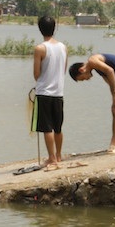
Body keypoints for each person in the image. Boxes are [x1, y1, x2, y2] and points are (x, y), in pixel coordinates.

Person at [68, 53, 115, 152]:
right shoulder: (95, 66)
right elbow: (107, 78)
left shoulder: (92, 61)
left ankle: (114, 142)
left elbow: (110, 71)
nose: (87, 79)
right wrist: (114, 93)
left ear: (81, 70)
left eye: (83, 78)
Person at [32, 15, 67, 171]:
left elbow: (36, 74)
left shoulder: (40, 48)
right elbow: (63, 69)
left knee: (47, 128)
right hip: (59, 93)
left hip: (44, 92)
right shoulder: (63, 47)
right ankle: (58, 155)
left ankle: (51, 158)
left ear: (40, 29)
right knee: (58, 127)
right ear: (54, 28)